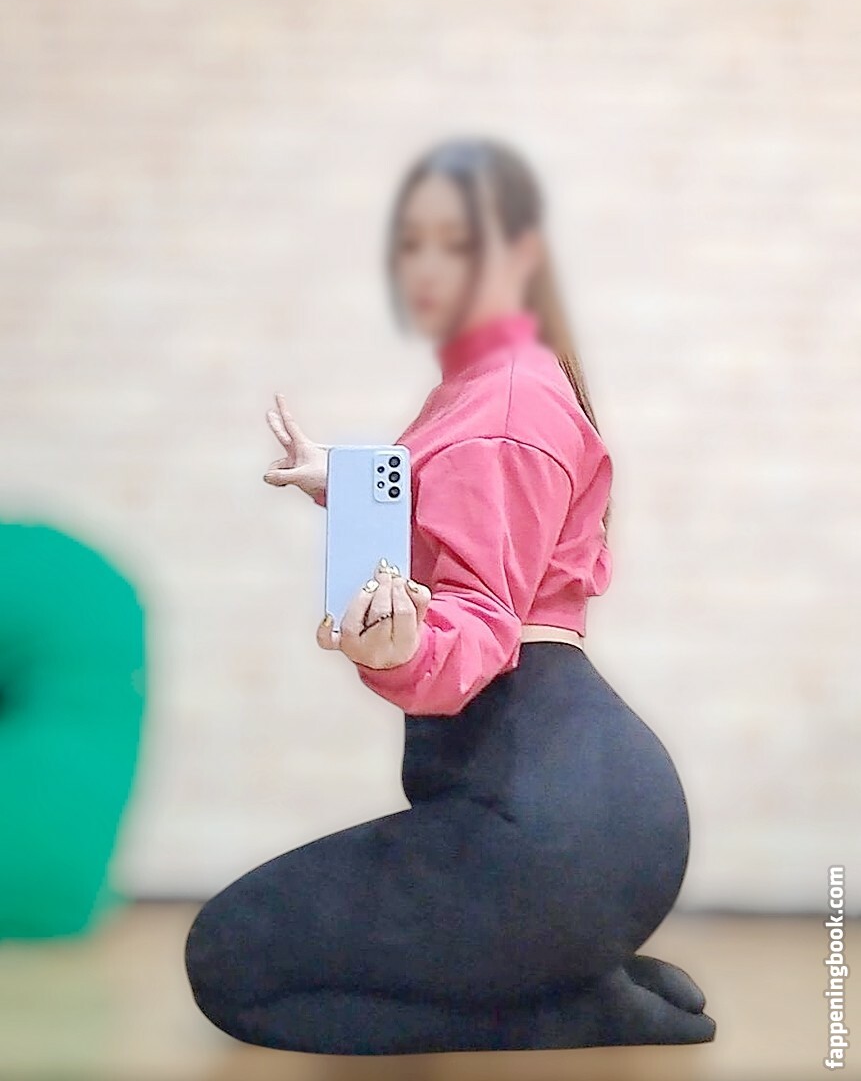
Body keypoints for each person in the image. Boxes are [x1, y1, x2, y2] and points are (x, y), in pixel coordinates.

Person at [183, 136, 716, 1054]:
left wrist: (399, 652)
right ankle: (576, 972)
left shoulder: (501, 405)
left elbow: (476, 625)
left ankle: (573, 1003)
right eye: (412, 242)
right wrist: (350, 484)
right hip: (592, 826)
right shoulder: (496, 386)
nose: (426, 266)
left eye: (456, 243)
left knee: (230, 960)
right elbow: (463, 513)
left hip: (551, 833)